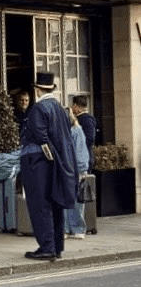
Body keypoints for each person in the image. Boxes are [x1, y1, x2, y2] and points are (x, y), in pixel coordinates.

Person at [20, 71, 78, 261]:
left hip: (38, 162)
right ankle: (57, 247)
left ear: (37, 90)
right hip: (58, 163)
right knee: (55, 204)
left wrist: (48, 157)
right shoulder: (60, 108)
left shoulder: (38, 108)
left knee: (40, 204)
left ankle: (46, 247)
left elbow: (40, 137)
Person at [70, 94, 98, 234]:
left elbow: (89, 140)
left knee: (82, 194)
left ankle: (83, 224)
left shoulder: (85, 120)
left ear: (76, 106)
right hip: (82, 160)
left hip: (82, 161)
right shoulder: (85, 119)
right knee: (81, 194)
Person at [63, 107, 90, 240]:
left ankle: (75, 228)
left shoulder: (75, 130)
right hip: (69, 168)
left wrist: (79, 169)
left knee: (75, 201)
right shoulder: (70, 130)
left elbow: (79, 153)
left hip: (73, 169)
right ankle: (68, 228)